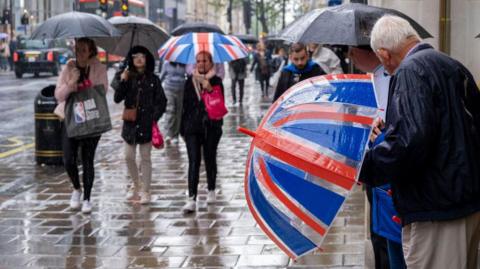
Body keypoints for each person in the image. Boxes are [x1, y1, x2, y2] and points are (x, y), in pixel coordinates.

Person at [361, 15, 480, 269]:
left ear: (384, 54)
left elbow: (409, 144)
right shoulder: (452, 64)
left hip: (436, 209)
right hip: (464, 202)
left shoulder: (410, 71)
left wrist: (364, 165)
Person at [349, 45, 405, 269]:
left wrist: (379, 135)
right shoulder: (371, 76)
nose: (350, 56)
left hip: (387, 161)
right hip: (374, 160)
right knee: (377, 228)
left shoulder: (392, 76)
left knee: (389, 236)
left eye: (354, 51)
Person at [54, 38, 108, 213]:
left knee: (87, 160)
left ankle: (87, 199)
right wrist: (71, 84)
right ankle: (76, 188)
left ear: (91, 51)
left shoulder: (98, 67)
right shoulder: (69, 67)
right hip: (71, 118)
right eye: (77, 49)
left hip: (91, 118)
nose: (80, 53)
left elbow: (103, 90)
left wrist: (86, 84)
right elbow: (58, 96)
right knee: (68, 159)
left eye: (83, 50)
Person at [111, 46, 167, 205]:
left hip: (146, 124)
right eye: (135, 56)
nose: (139, 59)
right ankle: (136, 184)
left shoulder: (153, 79)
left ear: (147, 58)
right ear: (131, 60)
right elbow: (117, 98)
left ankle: (146, 191)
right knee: (128, 157)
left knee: (145, 157)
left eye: (142, 56)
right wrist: (123, 80)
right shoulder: (127, 77)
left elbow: (162, 102)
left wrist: (153, 117)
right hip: (130, 124)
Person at [181, 51, 224, 213]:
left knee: (210, 158)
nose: (201, 64)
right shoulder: (189, 82)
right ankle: (191, 198)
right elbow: (183, 107)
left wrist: (210, 89)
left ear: (211, 63)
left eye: (204, 61)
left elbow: (220, 104)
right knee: (193, 161)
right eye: (198, 61)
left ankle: (211, 189)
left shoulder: (217, 81)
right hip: (192, 127)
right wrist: (182, 129)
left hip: (211, 127)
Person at [159, 60, 186, 143]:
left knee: (178, 112)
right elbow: (161, 76)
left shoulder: (184, 64)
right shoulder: (167, 63)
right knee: (170, 110)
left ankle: (175, 135)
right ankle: (168, 134)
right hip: (169, 89)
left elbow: (189, 74)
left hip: (181, 90)